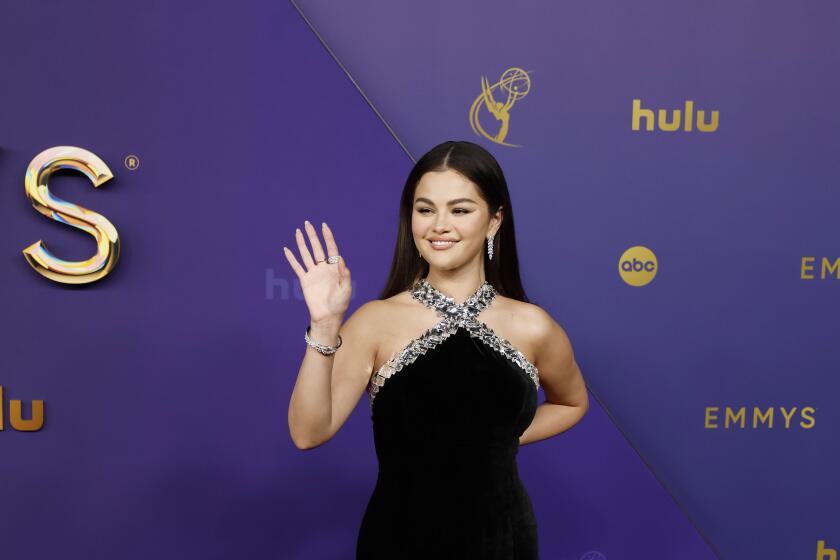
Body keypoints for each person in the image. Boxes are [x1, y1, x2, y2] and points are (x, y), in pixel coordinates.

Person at [284, 140, 589, 559]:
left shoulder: (533, 325)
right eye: (425, 209)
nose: (438, 225)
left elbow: (572, 403)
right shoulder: (376, 321)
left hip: (504, 541)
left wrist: (499, 439)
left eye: (459, 210)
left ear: (494, 221)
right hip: (400, 540)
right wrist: (323, 325)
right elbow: (308, 432)